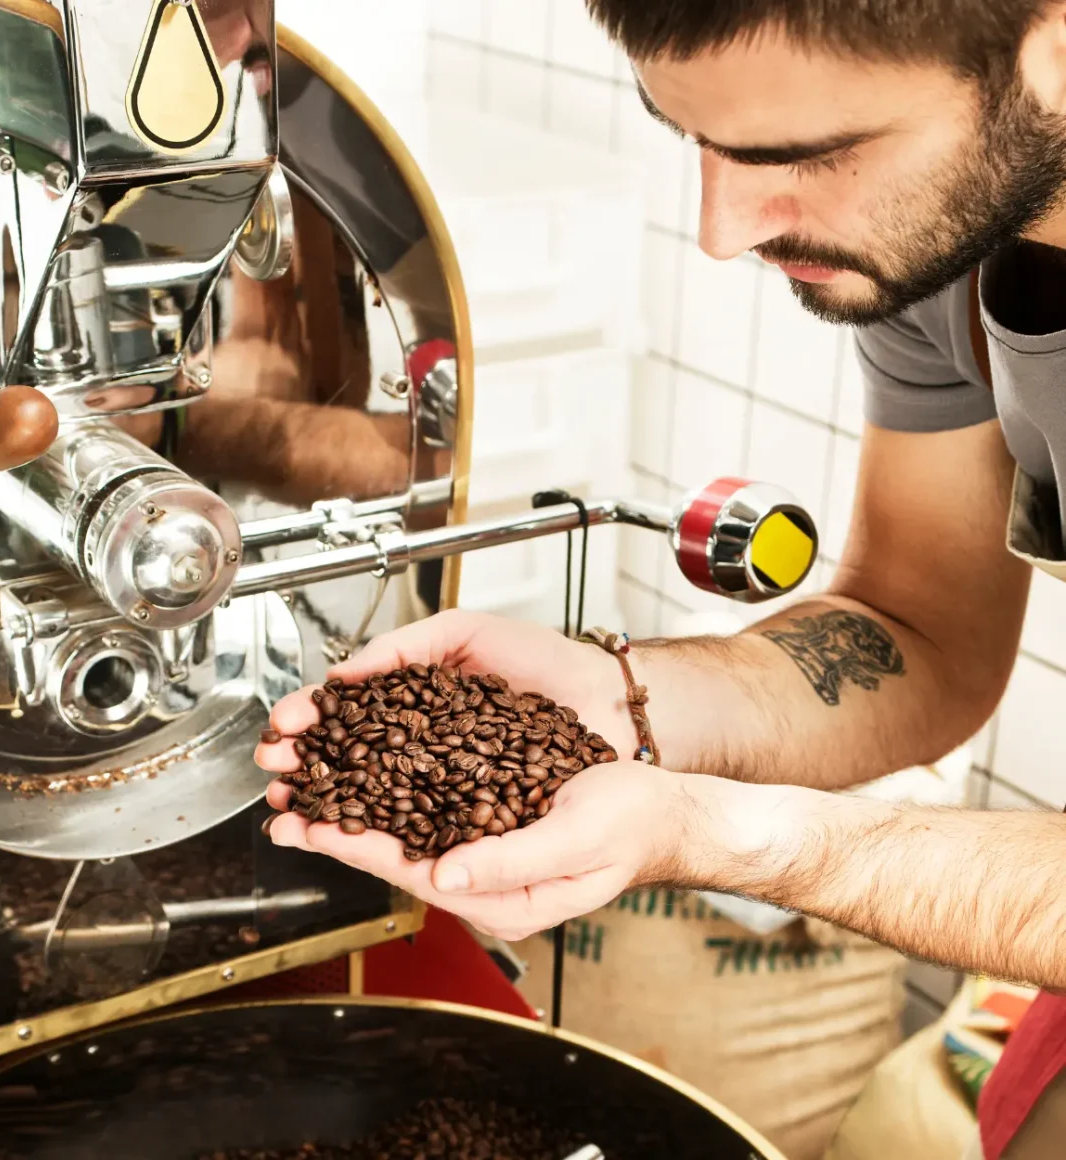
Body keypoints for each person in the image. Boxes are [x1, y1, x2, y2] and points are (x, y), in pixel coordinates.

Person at [256, 3, 1066, 1157]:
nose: (722, 230)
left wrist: (733, 836)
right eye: (693, 139)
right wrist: (619, 699)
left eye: (800, 155)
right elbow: (917, 627)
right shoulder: (957, 247)